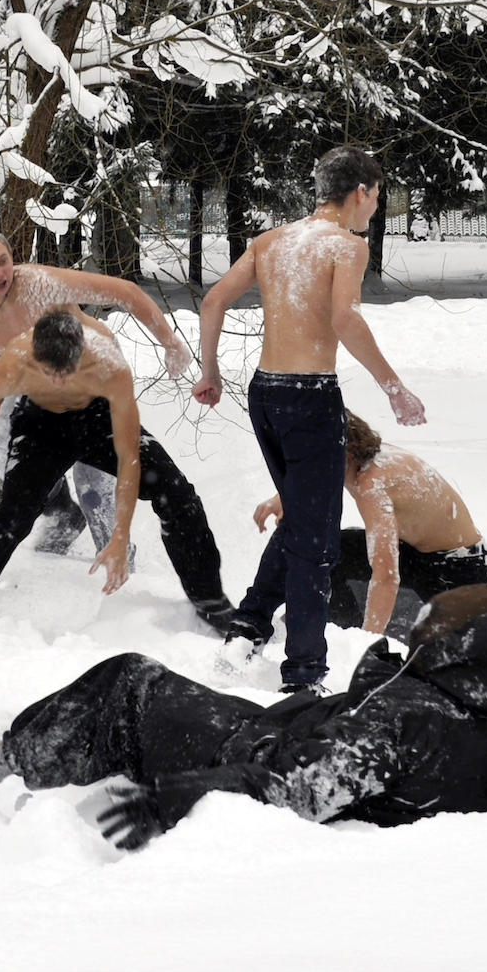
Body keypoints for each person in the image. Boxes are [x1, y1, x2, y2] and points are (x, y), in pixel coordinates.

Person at [0, 585, 487, 849]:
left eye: (436, 634)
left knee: (129, 683)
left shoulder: (407, 722)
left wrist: (185, 794)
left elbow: (294, 786)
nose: (421, 637)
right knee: (146, 692)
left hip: (245, 749)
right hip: (285, 726)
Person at [195, 146, 423, 694]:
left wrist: (210, 372)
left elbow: (213, 301)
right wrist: (394, 388)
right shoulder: (347, 245)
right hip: (310, 397)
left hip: (264, 394)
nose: (375, 207)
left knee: (302, 520)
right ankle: (303, 675)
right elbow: (344, 318)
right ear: (361, 192)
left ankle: (248, 628)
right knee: (317, 543)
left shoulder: (271, 241)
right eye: (377, 196)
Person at [0, 307, 235, 628]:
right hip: (40, 428)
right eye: (49, 373)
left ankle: (210, 602)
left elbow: (128, 457)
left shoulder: (109, 363)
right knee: (12, 519)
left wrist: (120, 536)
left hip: (98, 420)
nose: (59, 382)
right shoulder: (15, 361)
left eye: (68, 372)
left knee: (176, 492)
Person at [0, 224, 195, 553]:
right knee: (2, 454)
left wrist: (171, 344)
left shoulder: (43, 284)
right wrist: (16, 437)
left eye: (3, 261)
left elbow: (127, 292)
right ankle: (63, 515)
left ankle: (117, 556)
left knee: (93, 484)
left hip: (93, 371)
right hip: (36, 383)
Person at [257, 413, 487, 637]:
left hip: (458, 569)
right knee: (328, 551)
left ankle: (351, 640)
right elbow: (317, 474)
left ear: (344, 452)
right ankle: (334, 627)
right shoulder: (363, 458)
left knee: (454, 649)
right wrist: (283, 497)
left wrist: (366, 641)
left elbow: (386, 576)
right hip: (418, 553)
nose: (313, 465)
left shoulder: (372, 486)